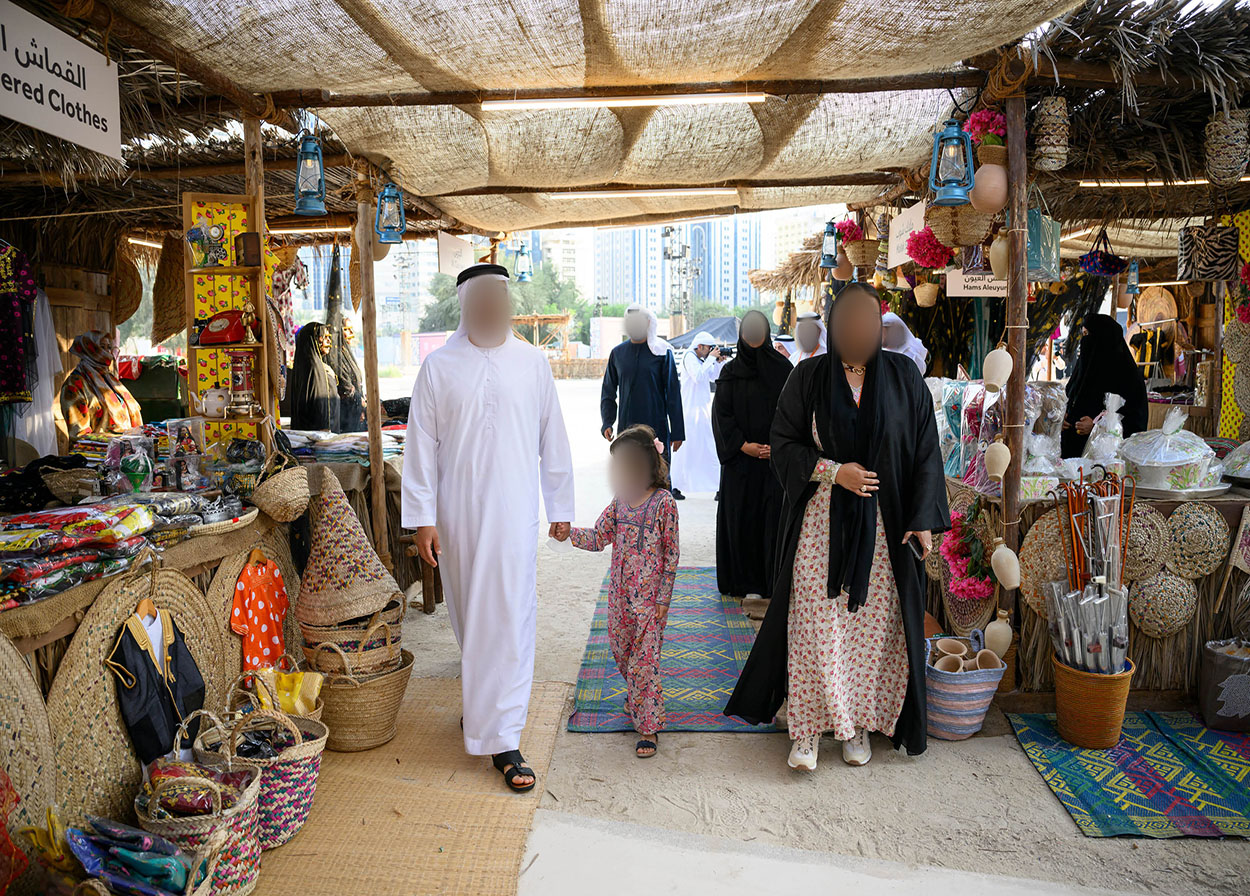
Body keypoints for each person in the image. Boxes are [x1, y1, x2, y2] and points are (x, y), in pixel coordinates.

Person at [724, 282, 949, 770]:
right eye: (847, 319)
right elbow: (783, 442)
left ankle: (856, 728)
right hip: (820, 524)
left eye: (867, 319)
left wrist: (923, 518)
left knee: (870, 631)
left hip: (884, 531)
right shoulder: (807, 377)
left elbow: (924, 449)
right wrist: (833, 471)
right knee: (813, 625)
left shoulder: (905, 377)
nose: (857, 329)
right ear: (833, 323)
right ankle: (805, 733)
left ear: (879, 323)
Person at [403, 263, 574, 794]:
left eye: (499, 303)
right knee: (470, 617)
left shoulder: (532, 363)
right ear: (466, 307)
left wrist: (560, 503)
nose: (491, 312)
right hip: (456, 518)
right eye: (481, 303)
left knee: (510, 617)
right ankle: (484, 707)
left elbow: (553, 436)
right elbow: (419, 447)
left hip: (514, 513)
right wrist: (423, 519)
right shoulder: (439, 368)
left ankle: (504, 739)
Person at [560, 425, 679, 758]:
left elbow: (672, 553)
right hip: (620, 598)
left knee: (644, 663)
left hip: (650, 601)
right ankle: (638, 698)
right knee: (623, 652)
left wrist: (663, 598)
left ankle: (649, 727)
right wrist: (568, 534)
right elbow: (599, 537)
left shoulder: (664, 503)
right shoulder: (620, 502)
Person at [712, 309, 791, 599]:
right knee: (741, 520)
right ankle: (743, 582)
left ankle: (770, 583)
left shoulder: (783, 369)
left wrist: (777, 446)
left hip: (773, 464)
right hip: (740, 464)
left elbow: (793, 413)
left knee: (771, 521)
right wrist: (743, 445)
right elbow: (721, 414)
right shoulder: (730, 372)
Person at [601, 305, 685, 476]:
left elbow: (673, 394)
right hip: (627, 426)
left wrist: (677, 431)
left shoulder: (661, 352)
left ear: (648, 323)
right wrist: (607, 421)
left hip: (656, 427)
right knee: (629, 476)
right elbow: (608, 390)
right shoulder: (618, 353)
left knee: (657, 476)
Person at [1062, 313, 1148, 458]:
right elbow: (1071, 396)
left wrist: (1097, 426)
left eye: (1088, 334)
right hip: (1072, 452)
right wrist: (1062, 418)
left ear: (1103, 337)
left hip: (1103, 460)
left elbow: (1135, 421)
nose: (1085, 340)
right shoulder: (1084, 368)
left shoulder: (1127, 376)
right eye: (1083, 334)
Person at [60, 330, 143, 443]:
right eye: (101, 347)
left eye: (109, 347)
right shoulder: (75, 384)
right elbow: (79, 434)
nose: (106, 352)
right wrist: (119, 441)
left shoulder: (111, 380)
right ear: (89, 349)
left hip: (126, 449)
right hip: (97, 455)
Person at [671, 333, 723, 495]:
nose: (710, 352)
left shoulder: (701, 359)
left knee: (709, 448)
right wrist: (710, 359)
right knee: (683, 451)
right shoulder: (689, 357)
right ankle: (676, 485)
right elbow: (698, 377)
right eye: (709, 349)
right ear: (700, 347)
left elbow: (714, 377)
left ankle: (717, 487)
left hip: (702, 411)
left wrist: (718, 362)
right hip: (689, 412)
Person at [289, 322, 340, 431]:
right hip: (319, 435)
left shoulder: (319, 366)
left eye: (328, 337)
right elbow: (319, 406)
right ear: (314, 341)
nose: (328, 341)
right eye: (324, 337)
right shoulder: (313, 369)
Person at [335, 316, 367, 433]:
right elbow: (346, 387)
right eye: (347, 329)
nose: (351, 333)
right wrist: (361, 402)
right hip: (345, 414)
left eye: (351, 329)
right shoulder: (336, 356)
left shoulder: (347, 353)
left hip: (356, 410)